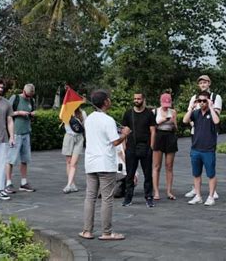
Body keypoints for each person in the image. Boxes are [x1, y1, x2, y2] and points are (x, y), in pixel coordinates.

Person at [79, 90, 130, 240]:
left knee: (90, 197)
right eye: (108, 99)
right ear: (105, 102)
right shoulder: (108, 120)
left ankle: (87, 231)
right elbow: (115, 142)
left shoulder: (88, 119)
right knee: (107, 198)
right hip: (105, 163)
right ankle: (106, 232)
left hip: (91, 162)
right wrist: (125, 134)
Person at [185, 75, 222, 199]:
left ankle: (213, 191)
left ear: (209, 83)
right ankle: (196, 190)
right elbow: (188, 117)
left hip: (209, 134)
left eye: (205, 82)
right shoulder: (194, 98)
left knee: (209, 164)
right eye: (200, 82)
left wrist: (209, 106)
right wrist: (195, 123)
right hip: (196, 133)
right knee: (196, 165)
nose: (203, 84)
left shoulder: (216, 97)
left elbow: (216, 117)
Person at [121, 93, 156, 208]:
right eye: (135, 98)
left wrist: (151, 146)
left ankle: (149, 197)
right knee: (130, 174)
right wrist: (124, 145)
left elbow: (153, 131)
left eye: (139, 98)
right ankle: (128, 197)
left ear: (143, 99)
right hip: (131, 147)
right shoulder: (128, 113)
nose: (136, 100)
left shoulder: (149, 114)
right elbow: (124, 131)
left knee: (148, 174)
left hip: (145, 147)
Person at [4, 84, 36, 194]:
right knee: (11, 159)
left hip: (26, 132)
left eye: (30, 96)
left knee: (25, 159)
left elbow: (32, 112)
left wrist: (33, 114)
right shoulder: (15, 98)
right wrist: (18, 113)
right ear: (23, 91)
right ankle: (8, 183)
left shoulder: (32, 100)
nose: (28, 98)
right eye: (27, 95)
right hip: (16, 133)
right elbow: (7, 113)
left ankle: (24, 182)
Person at [152, 93, 178, 200]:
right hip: (159, 136)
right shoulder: (155, 112)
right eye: (164, 104)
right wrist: (161, 121)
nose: (166, 106)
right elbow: (152, 128)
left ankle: (169, 191)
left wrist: (172, 123)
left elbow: (176, 129)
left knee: (169, 166)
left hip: (170, 136)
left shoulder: (173, 112)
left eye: (168, 104)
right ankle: (156, 192)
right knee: (157, 166)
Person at [61, 106, 87, 194]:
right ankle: (72, 183)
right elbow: (62, 120)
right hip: (69, 137)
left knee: (73, 163)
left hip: (79, 138)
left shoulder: (82, 113)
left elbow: (85, 127)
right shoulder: (66, 112)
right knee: (68, 162)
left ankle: (68, 185)